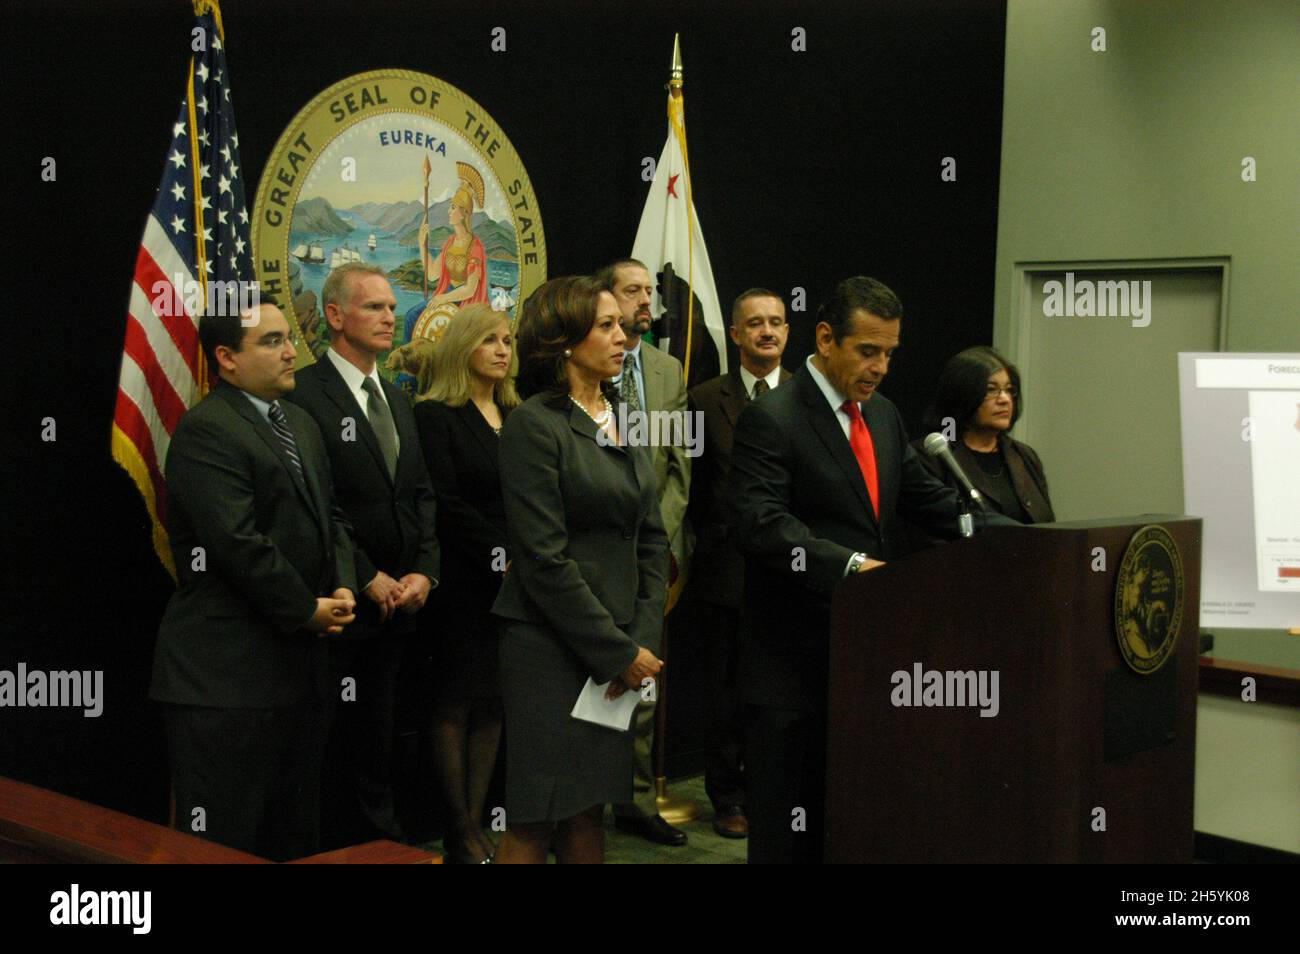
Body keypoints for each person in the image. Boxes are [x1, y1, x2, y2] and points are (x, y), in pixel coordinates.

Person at [729, 276, 1017, 864]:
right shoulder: (774, 417)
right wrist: (856, 567)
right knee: (787, 840)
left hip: (865, 662)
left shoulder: (881, 415)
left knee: (852, 825)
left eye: (889, 353)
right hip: (791, 668)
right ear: (827, 338)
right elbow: (762, 526)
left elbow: (927, 501)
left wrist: (1028, 542)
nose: (881, 366)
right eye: (868, 350)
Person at [150, 303, 358, 862]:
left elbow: (332, 516)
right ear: (227, 359)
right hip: (227, 681)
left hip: (298, 675)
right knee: (223, 842)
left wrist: (342, 586)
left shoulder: (299, 423)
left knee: (291, 838)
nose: (292, 351)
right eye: (271, 341)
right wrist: (304, 608)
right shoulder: (207, 431)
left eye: (289, 338)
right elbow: (236, 544)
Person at [491, 275, 667, 864]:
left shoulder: (624, 414)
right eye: (607, 326)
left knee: (589, 807)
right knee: (538, 815)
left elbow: (651, 538)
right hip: (549, 648)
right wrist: (617, 653)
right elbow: (544, 561)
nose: (624, 336)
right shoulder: (533, 426)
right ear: (564, 340)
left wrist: (638, 642)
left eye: (622, 323)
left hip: (615, 649)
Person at [284, 262, 440, 847]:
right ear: (334, 316)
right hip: (339, 606)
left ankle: (380, 843)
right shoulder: (302, 393)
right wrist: (366, 574)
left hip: (402, 608)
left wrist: (424, 569)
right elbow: (320, 504)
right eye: (374, 306)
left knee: (382, 734)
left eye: (391, 306)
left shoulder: (399, 400)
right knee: (333, 738)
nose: (390, 315)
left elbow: (422, 493)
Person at [413, 303, 520, 864]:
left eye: (507, 340)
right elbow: (446, 504)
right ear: (462, 349)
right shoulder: (436, 415)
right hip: (464, 580)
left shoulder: (517, 414)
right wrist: (500, 553)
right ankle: (457, 830)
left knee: (496, 704)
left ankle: (478, 821)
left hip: (518, 580)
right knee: (456, 703)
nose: (502, 350)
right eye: (489, 341)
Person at [687, 287, 792, 839]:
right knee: (725, 692)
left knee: (779, 692)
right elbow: (694, 490)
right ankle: (728, 798)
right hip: (725, 570)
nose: (767, 332)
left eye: (776, 322)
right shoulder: (704, 400)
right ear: (735, 334)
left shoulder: (808, 398)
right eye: (755, 323)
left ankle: (777, 794)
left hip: (791, 572)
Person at [597, 258, 692, 847]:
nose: (644, 301)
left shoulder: (667, 369)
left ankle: (633, 799)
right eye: (632, 291)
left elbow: (682, 463)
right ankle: (580, 804)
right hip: (594, 548)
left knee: (644, 679)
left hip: (653, 550)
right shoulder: (575, 366)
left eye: (648, 291)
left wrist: (658, 536)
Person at [913, 346, 1053, 524]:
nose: (1005, 399)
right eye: (991, 390)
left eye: (1009, 389)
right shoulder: (932, 456)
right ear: (962, 395)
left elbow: (1048, 525)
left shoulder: (1024, 456)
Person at [407, 161, 490, 345]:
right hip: (446, 294)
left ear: (464, 213)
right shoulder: (450, 243)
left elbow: (470, 289)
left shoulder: (474, 247)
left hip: (463, 302)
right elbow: (433, 275)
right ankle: (409, 371)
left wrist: (444, 298)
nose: (448, 211)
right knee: (412, 316)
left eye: (453, 207)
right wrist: (422, 246)